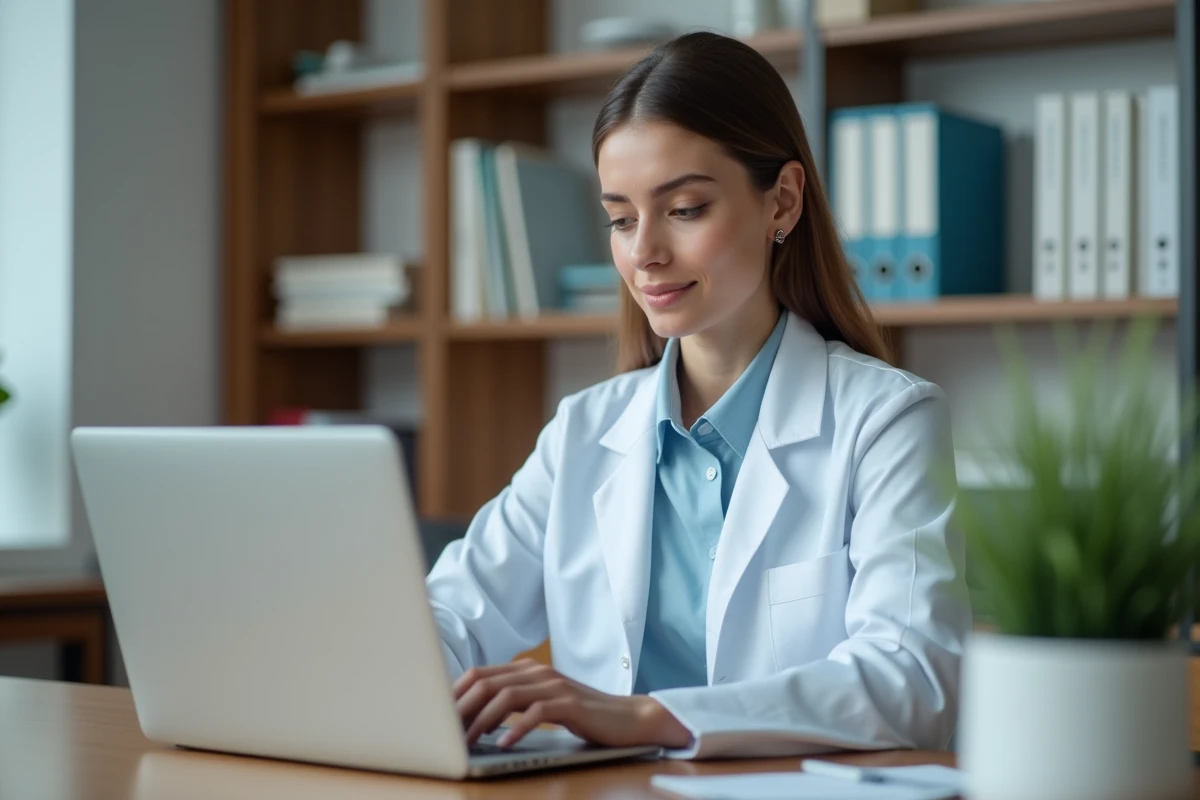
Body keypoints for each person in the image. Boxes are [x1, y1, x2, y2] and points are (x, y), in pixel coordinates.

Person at [425, 31, 970, 759]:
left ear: (782, 201)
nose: (644, 251)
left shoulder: (887, 420)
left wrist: (650, 719)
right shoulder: (584, 432)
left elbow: (915, 681)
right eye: (620, 218)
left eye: (683, 208)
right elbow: (450, 615)